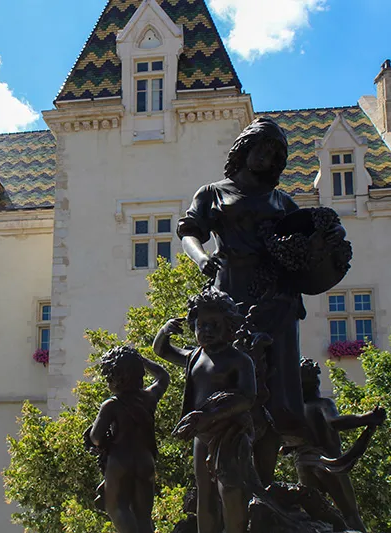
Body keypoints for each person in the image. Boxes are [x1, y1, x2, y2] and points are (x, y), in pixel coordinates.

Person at [177, 116, 327, 485]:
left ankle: (264, 481)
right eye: (264, 148)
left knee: (276, 390)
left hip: (278, 298)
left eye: (277, 153)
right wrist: (201, 258)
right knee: (233, 383)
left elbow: (308, 251)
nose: (270, 157)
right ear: (244, 149)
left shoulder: (283, 201)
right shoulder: (212, 192)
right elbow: (189, 231)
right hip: (230, 292)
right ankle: (225, 475)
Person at [153, 288, 258, 533]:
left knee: (230, 490)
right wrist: (164, 330)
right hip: (201, 435)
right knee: (205, 492)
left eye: (214, 325)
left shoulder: (239, 360)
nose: (206, 331)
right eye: (201, 325)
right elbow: (162, 351)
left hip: (228, 432)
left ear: (229, 326)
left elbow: (247, 398)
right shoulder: (194, 356)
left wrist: (211, 415)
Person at [85, 346, 170, 533]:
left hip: (120, 459)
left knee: (116, 507)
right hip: (145, 459)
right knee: (143, 515)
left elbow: (96, 437)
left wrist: (98, 439)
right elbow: (163, 377)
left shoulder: (111, 405)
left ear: (115, 378)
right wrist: (143, 360)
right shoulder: (149, 398)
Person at [295, 358, 385, 532]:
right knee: (350, 514)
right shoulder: (323, 404)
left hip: (304, 463)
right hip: (328, 463)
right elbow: (334, 422)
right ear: (316, 381)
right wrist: (367, 418)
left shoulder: (298, 409)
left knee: (314, 516)